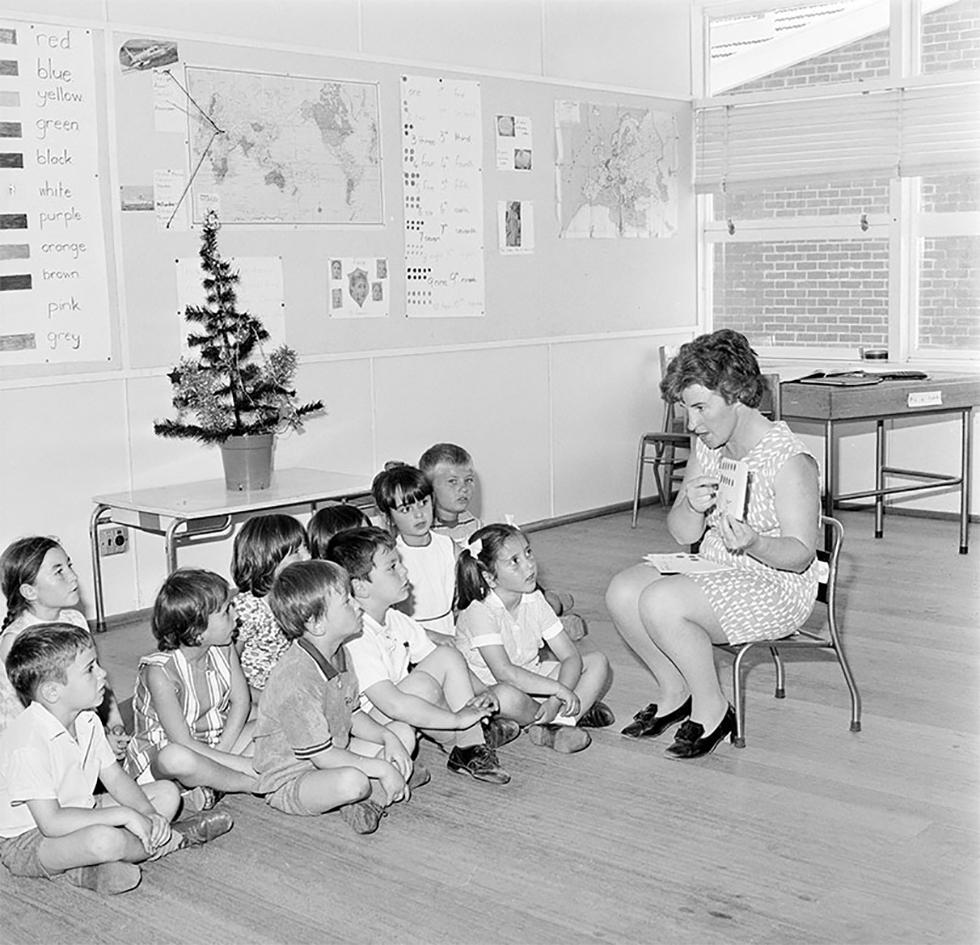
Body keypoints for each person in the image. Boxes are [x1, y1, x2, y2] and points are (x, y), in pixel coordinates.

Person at [605, 329, 821, 760]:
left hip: (774, 584)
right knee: (623, 591)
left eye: (701, 407)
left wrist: (755, 542)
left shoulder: (789, 460)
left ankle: (713, 709)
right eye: (686, 409)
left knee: (662, 602)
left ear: (737, 394)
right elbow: (683, 534)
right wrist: (689, 503)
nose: (691, 423)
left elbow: (800, 557)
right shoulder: (709, 444)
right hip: (717, 569)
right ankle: (675, 691)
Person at [0, 623, 232, 894]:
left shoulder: (86, 718)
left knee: (166, 794)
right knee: (104, 840)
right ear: (52, 692)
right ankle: (173, 839)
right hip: (28, 839)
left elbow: (115, 776)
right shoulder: (28, 744)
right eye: (90, 669)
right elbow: (51, 823)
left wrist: (146, 813)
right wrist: (125, 814)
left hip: (83, 809)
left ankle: (88, 868)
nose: (103, 673)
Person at [325, 527, 516, 785]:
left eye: (400, 563)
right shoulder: (357, 638)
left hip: (397, 710)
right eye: (392, 567)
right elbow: (392, 704)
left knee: (447, 656)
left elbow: (440, 658)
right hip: (366, 725)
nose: (404, 571)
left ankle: (470, 742)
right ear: (360, 587)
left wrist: (482, 690)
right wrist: (457, 719)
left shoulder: (395, 618)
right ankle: (462, 741)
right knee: (422, 689)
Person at [255, 559, 422, 835]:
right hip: (294, 776)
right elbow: (321, 756)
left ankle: (375, 796)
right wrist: (380, 766)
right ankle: (378, 789)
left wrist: (387, 738)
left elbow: (352, 714)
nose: (357, 605)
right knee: (353, 782)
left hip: (335, 751)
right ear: (317, 624)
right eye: (347, 601)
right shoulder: (296, 677)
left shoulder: (341, 652)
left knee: (402, 732)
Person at [454, 524, 614, 754]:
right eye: (514, 561)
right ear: (489, 577)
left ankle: (556, 722)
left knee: (597, 661)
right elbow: (505, 673)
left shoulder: (534, 599)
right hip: (491, 689)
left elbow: (570, 656)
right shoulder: (479, 611)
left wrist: (555, 699)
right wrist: (559, 691)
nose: (529, 564)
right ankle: (562, 717)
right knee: (505, 695)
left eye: (528, 552)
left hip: (534, 678)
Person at [419, 443, 585, 639]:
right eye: (452, 482)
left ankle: (553, 602)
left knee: (532, 593)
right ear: (428, 488)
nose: (463, 488)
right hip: (465, 604)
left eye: (469, 480)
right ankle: (553, 621)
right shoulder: (427, 534)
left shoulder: (472, 522)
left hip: (492, 589)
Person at [125, 569, 259, 808]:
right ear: (198, 631)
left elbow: (242, 702)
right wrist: (234, 762)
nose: (236, 615)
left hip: (215, 743)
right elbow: (183, 742)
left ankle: (213, 784)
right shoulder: (160, 672)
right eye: (226, 611)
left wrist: (223, 754)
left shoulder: (224, 647)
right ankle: (249, 782)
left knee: (273, 721)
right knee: (176, 758)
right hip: (168, 759)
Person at [0, 537, 129, 758]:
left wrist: (114, 721)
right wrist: (97, 742)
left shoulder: (74, 619)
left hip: (79, 725)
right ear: (29, 591)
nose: (73, 577)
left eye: (69, 566)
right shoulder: (16, 641)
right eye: (59, 571)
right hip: (38, 750)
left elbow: (95, 677)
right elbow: (44, 719)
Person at [372, 463, 457, 644]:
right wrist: (434, 637)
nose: (419, 515)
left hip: (451, 630)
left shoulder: (448, 546)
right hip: (412, 639)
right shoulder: (392, 558)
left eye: (423, 503)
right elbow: (389, 617)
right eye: (406, 509)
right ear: (388, 516)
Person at [231, 514, 310, 700]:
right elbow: (227, 666)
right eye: (296, 552)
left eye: (306, 548)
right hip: (254, 697)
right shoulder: (249, 607)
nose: (308, 557)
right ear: (267, 561)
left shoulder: (297, 598)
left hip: (286, 690)